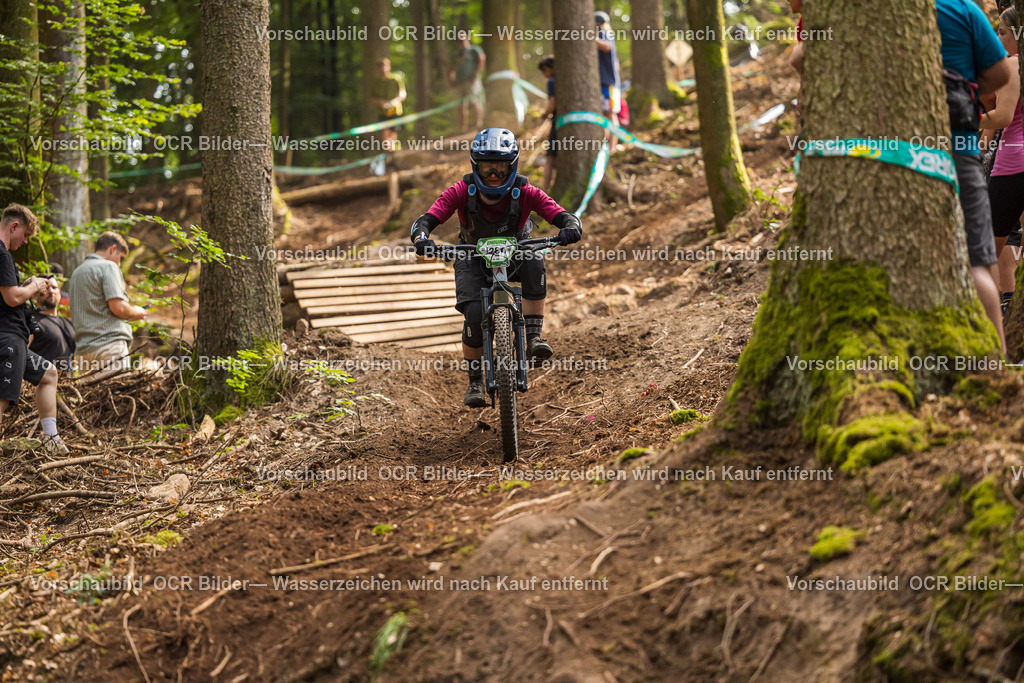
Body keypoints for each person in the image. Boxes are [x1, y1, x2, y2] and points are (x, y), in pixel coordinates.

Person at [409, 128, 583, 407]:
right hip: (472, 255)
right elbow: (428, 218)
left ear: (512, 166)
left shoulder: (525, 191)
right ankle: (475, 381)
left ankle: (533, 338)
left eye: (500, 167)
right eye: (486, 166)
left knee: (533, 258)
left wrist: (570, 226)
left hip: (516, 253)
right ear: (475, 166)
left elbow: (559, 213)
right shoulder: (462, 190)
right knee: (474, 313)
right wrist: (421, 237)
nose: (493, 174)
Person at [936, 0, 1012, 354]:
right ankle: (996, 365)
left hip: (893, 152)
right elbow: (999, 75)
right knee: (978, 261)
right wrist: (968, 90)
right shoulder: (961, 8)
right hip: (959, 146)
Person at [0, 205, 68, 455]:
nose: (25, 241)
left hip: (13, 338)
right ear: (14, 226)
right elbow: (12, 298)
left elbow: (10, 294)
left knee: (48, 373)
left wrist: (27, 286)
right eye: (26, 235)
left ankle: (51, 439)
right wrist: (34, 286)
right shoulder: (2, 253)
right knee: (2, 398)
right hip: (8, 338)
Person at [980, 7, 1023, 314]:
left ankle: (990, 314)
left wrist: (964, 120)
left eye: (1003, 33)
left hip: (1012, 165)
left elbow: (1004, 116)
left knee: (985, 253)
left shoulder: (1012, 65)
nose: (997, 38)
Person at [66, 231, 146, 379]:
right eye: (121, 258)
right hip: (109, 347)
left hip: (83, 352)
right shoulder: (108, 266)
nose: (119, 263)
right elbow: (118, 308)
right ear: (113, 249)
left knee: (91, 395)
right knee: (116, 393)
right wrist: (136, 312)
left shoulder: (77, 273)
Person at [28, 268, 75, 372]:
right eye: (46, 288)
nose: (51, 291)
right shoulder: (31, 321)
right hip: (42, 380)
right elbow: (20, 354)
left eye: (54, 287)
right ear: (35, 295)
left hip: (68, 380)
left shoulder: (68, 323)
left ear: (59, 292)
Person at [595, 11, 622, 152]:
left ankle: (612, 147)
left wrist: (591, 37)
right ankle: (607, 146)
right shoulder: (604, 33)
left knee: (611, 114)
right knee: (606, 114)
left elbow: (606, 46)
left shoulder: (604, 33)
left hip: (609, 83)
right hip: (605, 83)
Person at [450, 32, 486, 133]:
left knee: (475, 101)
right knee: (460, 105)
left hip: (472, 81)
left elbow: (482, 60)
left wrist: (476, 74)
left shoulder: (474, 50)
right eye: (459, 40)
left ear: (467, 39)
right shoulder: (457, 54)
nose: (461, 42)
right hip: (459, 83)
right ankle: (463, 128)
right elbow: (451, 68)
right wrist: (452, 80)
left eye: (463, 39)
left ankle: (478, 124)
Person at [370, 58, 407, 151]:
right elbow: (371, 98)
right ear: (378, 68)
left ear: (389, 67)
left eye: (385, 66)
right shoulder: (376, 83)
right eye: (381, 67)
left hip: (395, 112)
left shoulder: (396, 79)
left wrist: (395, 101)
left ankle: (392, 153)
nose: (383, 69)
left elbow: (403, 94)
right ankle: (389, 153)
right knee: (385, 136)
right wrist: (380, 102)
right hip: (383, 113)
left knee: (393, 135)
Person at [538, 56, 557, 191]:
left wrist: (545, 114)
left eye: (544, 70)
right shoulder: (562, 80)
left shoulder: (551, 81)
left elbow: (552, 104)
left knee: (550, 158)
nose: (544, 74)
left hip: (557, 122)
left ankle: (544, 189)